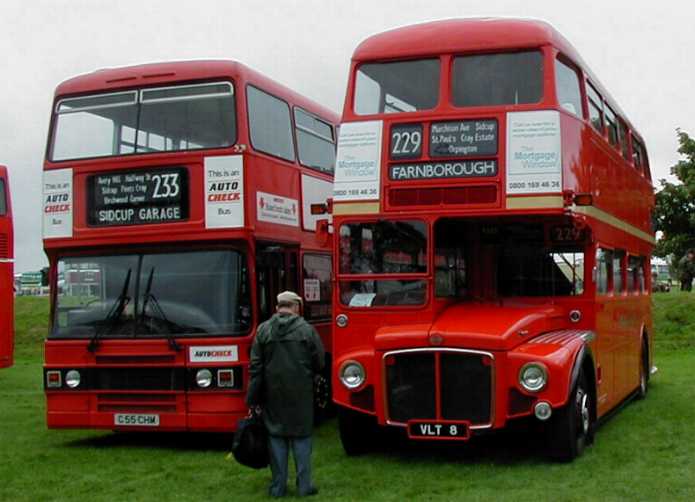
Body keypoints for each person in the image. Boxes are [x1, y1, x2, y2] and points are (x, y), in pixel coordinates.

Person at [246, 290, 324, 498]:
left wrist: (252, 399)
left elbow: (255, 368)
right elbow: (320, 363)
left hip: (272, 395)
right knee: (302, 438)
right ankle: (304, 486)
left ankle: (278, 487)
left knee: (276, 438)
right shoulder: (307, 331)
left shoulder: (263, 331)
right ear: (297, 307)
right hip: (301, 394)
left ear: (277, 307)